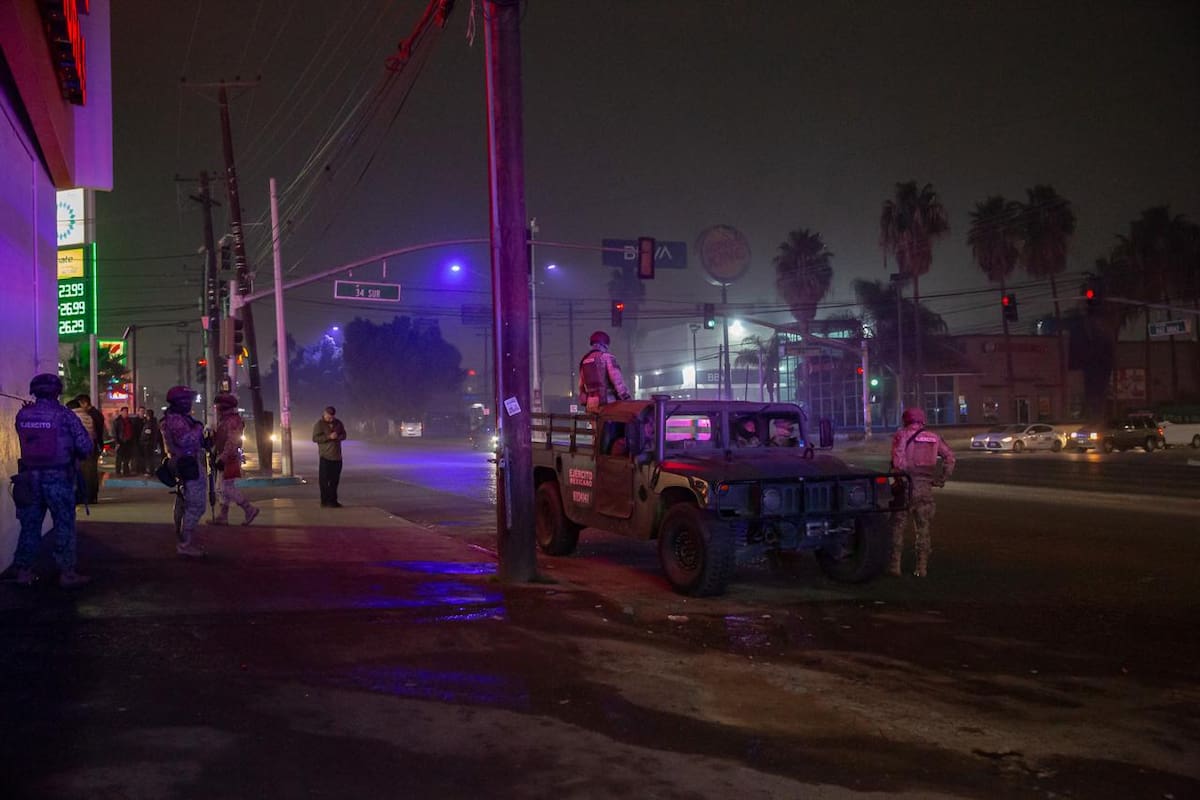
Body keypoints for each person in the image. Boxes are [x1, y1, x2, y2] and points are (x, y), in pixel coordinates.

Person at [11, 373, 95, 587]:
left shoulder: (23, 415)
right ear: (57, 391)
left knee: (30, 527)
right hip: (58, 478)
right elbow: (85, 446)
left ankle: (23, 571)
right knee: (64, 525)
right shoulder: (65, 416)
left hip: (29, 479)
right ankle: (66, 573)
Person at [889, 407, 956, 578]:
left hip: (906, 487)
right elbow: (950, 458)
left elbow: (898, 462)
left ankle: (895, 567)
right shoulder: (934, 437)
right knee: (923, 529)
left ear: (906, 419)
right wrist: (941, 478)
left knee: (898, 528)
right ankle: (922, 568)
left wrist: (900, 480)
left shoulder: (901, 435)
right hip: (925, 488)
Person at [160, 386, 208, 557]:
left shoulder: (177, 418)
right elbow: (186, 440)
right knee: (196, 505)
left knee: (186, 503)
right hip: (187, 463)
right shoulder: (176, 420)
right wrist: (198, 428)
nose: (189, 403)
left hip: (186, 462)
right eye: (186, 400)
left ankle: (185, 539)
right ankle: (185, 543)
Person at [210, 393, 260, 525]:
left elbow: (232, 442)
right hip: (224, 456)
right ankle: (223, 516)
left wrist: (223, 458)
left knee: (226, 488)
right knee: (222, 487)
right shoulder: (225, 420)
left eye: (218, 406)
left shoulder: (232, 421)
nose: (216, 409)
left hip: (229, 458)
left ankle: (249, 509)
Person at [577, 330, 632, 412]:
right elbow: (617, 381)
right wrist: (626, 398)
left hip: (591, 405)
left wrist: (585, 402)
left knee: (596, 425)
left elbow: (581, 386)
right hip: (608, 404)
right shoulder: (607, 357)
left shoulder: (584, 361)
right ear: (604, 345)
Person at [68, 393, 105, 503]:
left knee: (84, 474)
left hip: (82, 448)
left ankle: (86, 497)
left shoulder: (76, 416)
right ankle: (92, 496)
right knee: (91, 473)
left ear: (84, 402)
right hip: (91, 446)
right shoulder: (89, 416)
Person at [312, 406, 347, 507]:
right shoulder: (319, 424)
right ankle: (324, 500)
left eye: (332, 417)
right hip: (325, 457)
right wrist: (328, 437)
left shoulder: (338, 423)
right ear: (325, 414)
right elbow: (315, 438)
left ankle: (333, 501)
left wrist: (338, 437)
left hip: (337, 457)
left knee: (334, 481)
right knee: (324, 480)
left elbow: (344, 435)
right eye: (328, 416)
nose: (330, 419)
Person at [111, 406, 136, 476]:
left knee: (127, 458)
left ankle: (126, 471)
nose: (125, 413)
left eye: (126, 412)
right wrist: (117, 442)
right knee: (119, 457)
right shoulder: (117, 421)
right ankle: (118, 472)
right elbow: (114, 432)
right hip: (121, 441)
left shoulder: (130, 421)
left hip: (128, 441)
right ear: (121, 412)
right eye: (124, 411)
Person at [139, 406, 162, 476]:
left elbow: (147, 434)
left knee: (149, 458)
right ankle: (151, 471)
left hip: (148, 444)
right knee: (151, 458)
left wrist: (142, 440)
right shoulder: (153, 423)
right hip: (151, 443)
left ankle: (150, 472)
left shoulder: (149, 424)